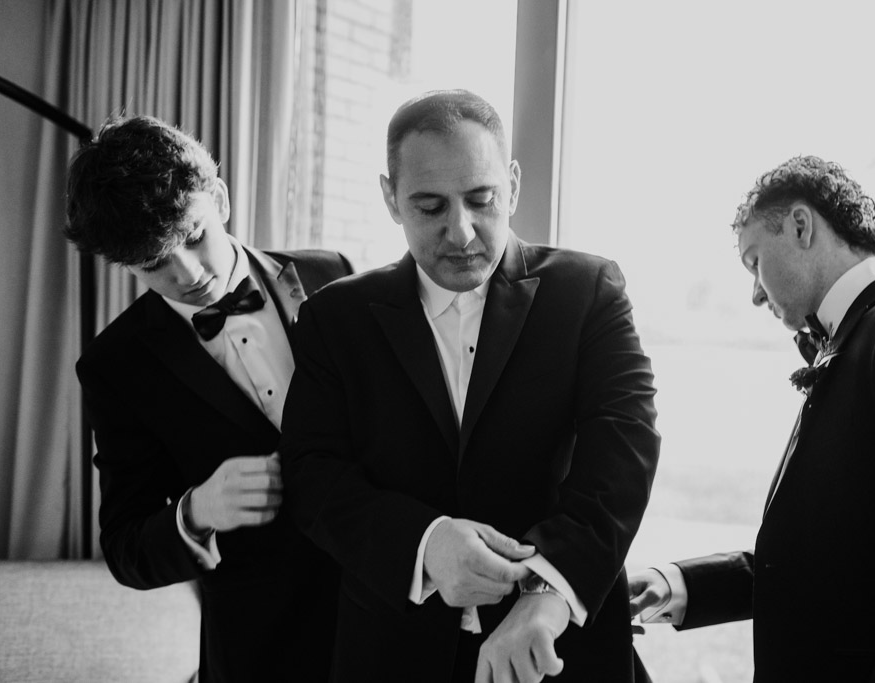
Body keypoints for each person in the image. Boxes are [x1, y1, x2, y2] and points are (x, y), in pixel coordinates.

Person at [279, 89, 660, 683]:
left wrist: (548, 590)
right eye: (430, 206)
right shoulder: (334, 317)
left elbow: (624, 453)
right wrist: (424, 544)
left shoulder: (588, 291)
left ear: (513, 185)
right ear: (390, 197)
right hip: (391, 647)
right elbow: (312, 473)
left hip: (560, 646)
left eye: (481, 200)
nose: (460, 232)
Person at [629, 156, 875, 682]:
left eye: (754, 261)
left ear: (801, 226)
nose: (756, 293)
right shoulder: (865, 338)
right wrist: (678, 583)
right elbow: (834, 560)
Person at [65, 115, 353, 682]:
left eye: (194, 237)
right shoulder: (115, 366)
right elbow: (125, 548)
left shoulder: (333, 274)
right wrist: (197, 511)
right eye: (155, 264)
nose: (189, 273)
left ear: (218, 198)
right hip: (259, 649)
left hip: (383, 614)